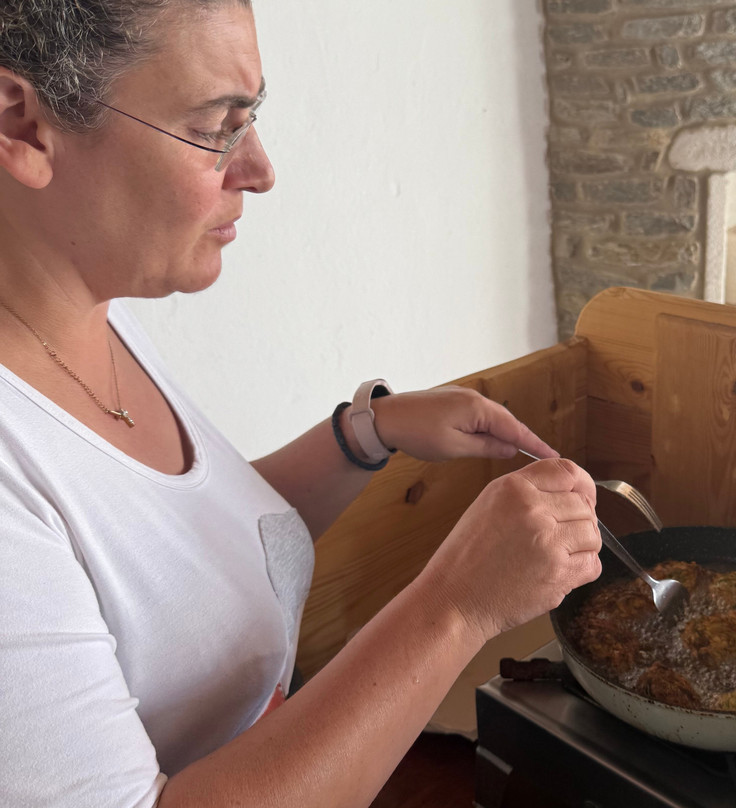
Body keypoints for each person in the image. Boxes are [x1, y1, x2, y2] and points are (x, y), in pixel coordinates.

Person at [0, 1, 603, 805]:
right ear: (23, 126)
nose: (259, 167)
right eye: (218, 126)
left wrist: (366, 434)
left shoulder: (90, 311)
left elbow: (168, 566)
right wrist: (457, 604)